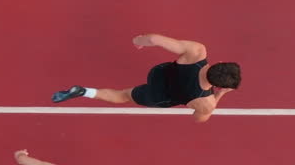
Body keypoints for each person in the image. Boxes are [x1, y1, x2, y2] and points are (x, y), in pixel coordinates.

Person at [51, 33, 241, 122]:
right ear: (217, 85)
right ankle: (84, 91)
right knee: (122, 96)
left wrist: (139, 41)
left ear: (220, 63)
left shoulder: (197, 51)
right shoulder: (205, 102)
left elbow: (154, 40)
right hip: (159, 94)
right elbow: (199, 119)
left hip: (159, 73)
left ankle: (83, 91)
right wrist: (220, 95)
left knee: (129, 91)